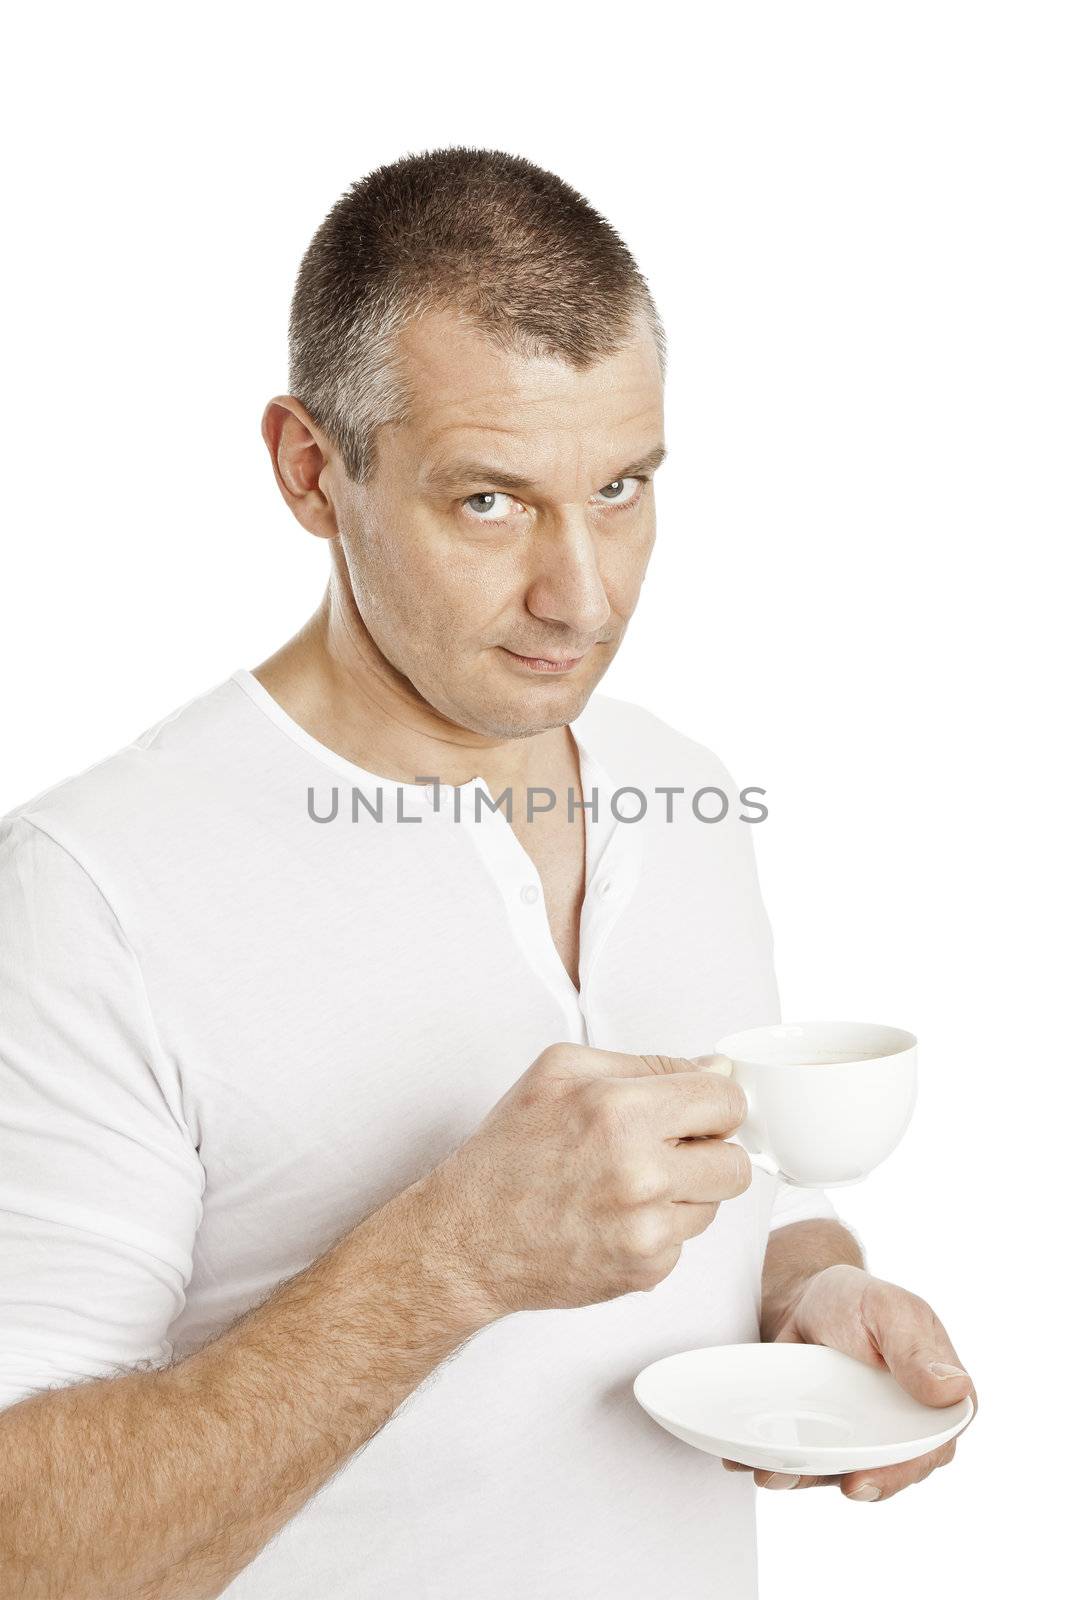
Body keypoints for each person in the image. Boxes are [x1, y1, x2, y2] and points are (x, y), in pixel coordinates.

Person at [0, 146, 975, 1600]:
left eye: (624, 488)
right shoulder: (87, 891)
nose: (582, 598)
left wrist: (808, 1290)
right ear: (311, 469)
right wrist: (447, 1259)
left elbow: (747, 1197)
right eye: (490, 503)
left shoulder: (687, 790)